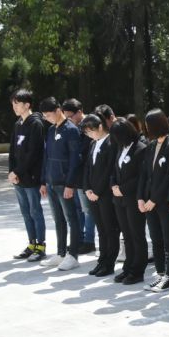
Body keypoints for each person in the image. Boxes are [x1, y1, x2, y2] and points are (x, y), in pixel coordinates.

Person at [38, 97, 83, 271]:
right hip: (51, 182)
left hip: (64, 183)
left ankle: (73, 255)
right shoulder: (50, 130)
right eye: (44, 116)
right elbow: (46, 157)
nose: (47, 118)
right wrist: (43, 181)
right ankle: (61, 252)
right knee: (58, 219)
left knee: (72, 218)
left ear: (58, 111)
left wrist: (70, 184)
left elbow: (75, 159)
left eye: (48, 115)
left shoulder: (71, 130)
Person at [138, 109, 169, 292]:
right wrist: (140, 198)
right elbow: (144, 174)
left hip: (163, 201)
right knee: (155, 238)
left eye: (149, 125)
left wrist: (154, 199)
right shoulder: (151, 145)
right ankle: (161, 272)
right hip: (148, 201)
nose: (146, 129)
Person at [8, 89, 47, 262]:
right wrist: (11, 172)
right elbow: (12, 151)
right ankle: (31, 244)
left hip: (31, 176)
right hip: (18, 178)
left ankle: (40, 246)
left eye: (17, 104)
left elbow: (34, 154)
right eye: (13, 104)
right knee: (25, 212)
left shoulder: (36, 124)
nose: (14, 107)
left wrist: (18, 171)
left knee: (35, 211)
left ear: (27, 105)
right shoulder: (18, 124)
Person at [80, 113, 119, 276]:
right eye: (87, 132)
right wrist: (87, 188)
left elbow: (109, 171)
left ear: (100, 127)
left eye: (91, 131)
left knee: (110, 229)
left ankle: (109, 263)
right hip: (92, 194)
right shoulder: (93, 144)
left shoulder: (111, 143)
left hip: (105, 194)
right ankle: (102, 260)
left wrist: (97, 191)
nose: (89, 135)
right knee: (101, 230)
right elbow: (87, 167)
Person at [110, 118, 148, 285]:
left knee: (136, 235)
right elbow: (114, 170)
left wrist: (123, 189)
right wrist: (113, 185)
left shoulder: (140, 149)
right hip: (119, 199)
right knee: (127, 235)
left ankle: (137, 270)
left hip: (133, 199)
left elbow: (141, 177)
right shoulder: (121, 147)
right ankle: (128, 267)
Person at [62, 98, 96, 255]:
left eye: (70, 116)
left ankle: (89, 241)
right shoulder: (71, 127)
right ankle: (79, 239)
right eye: (66, 117)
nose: (69, 120)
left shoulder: (89, 125)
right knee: (78, 209)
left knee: (87, 210)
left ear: (80, 112)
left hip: (85, 176)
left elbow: (83, 152)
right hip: (74, 176)